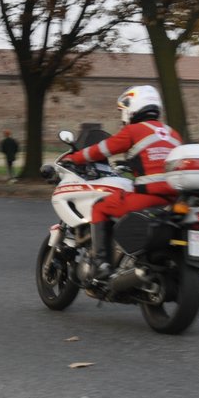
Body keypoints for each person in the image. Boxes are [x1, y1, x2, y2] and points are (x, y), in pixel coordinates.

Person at [60, 85, 182, 285]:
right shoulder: (172, 133)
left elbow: (101, 150)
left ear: (131, 106)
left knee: (100, 208)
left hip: (149, 196)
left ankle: (101, 265)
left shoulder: (133, 130)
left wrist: (75, 158)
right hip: (175, 198)